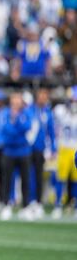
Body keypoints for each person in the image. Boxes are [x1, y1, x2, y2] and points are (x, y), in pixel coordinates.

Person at [0, 93, 34, 220]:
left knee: (26, 180)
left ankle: (25, 206)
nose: (16, 103)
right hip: (9, 151)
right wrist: (16, 128)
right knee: (7, 180)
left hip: (23, 151)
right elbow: (5, 129)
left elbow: (27, 127)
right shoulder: (5, 114)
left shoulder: (26, 113)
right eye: (13, 100)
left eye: (18, 100)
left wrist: (15, 125)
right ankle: (6, 205)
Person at [27, 87, 56, 219]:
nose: (43, 98)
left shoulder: (48, 113)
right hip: (28, 149)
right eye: (41, 95)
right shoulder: (29, 111)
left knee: (39, 176)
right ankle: (29, 201)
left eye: (45, 96)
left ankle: (38, 202)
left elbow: (51, 132)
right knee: (28, 176)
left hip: (40, 149)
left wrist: (52, 148)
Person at [52, 86, 77, 219]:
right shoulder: (60, 111)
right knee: (60, 178)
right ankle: (58, 205)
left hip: (75, 148)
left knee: (76, 180)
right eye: (73, 101)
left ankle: (75, 205)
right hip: (64, 148)